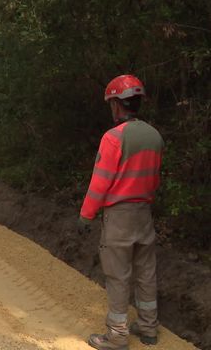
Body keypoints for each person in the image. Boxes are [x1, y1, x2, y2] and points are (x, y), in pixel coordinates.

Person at [78, 75, 164, 350]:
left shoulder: (113, 138)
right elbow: (154, 179)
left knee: (118, 275)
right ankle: (149, 328)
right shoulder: (154, 135)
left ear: (116, 104)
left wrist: (86, 215)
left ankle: (116, 335)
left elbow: (100, 182)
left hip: (119, 216)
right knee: (146, 271)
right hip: (144, 213)